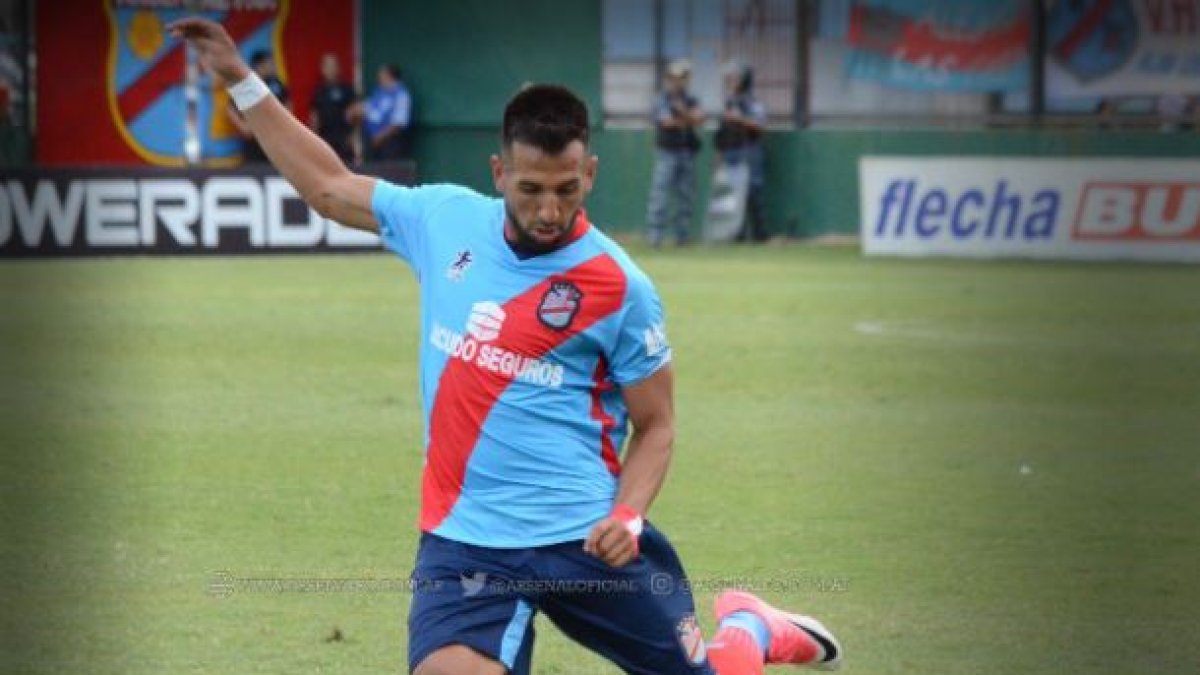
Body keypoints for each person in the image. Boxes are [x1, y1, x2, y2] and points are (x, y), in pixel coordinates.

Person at [169, 17, 843, 675]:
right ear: (498, 172)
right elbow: (328, 186)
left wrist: (630, 516)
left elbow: (657, 424)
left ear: (591, 173)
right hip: (466, 544)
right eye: (530, 189)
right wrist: (239, 79)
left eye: (566, 189)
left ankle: (751, 626)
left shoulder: (621, 287)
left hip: (584, 542)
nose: (549, 209)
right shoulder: (443, 219)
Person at [646, 59, 704, 247]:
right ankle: (655, 237)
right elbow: (666, 122)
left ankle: (682, 237)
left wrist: (682, 114)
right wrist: (687, 118)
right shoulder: (662, 98)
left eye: (683, 78)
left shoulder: (691, 99)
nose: (679, 81)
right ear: (669, 79)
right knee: (660, 195)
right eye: (675, 78)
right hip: (667, 152)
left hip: (687, 151)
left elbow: (699, 119)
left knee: (686, 196)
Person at [715, 61, 768, 242]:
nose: (731, 81)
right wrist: (719, 155)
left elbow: (760, 126)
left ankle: (760, 234)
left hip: (749, 150)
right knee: (732, 195)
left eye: (735, 77)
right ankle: (736, 234)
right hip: (731, 151)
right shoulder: (729, 101)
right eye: (729, 77)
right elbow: (722, 130)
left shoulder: (752, 102)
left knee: (753, 191)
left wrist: (739, 119)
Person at [228, 50, 289, 163]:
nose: (273, 66)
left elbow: (288, 108)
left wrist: (281, 126)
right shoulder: (245, 85)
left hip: (275, 143)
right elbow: (231, 108)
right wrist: (244, 127)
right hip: (253, 144)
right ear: (260, 66)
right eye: (270, 63)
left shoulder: (277, 84)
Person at [309, 53, 359, 164]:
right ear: (322, 70)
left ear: (338, 68)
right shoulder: (318, 91)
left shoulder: (347, 89)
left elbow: (356, 114)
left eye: (333, 66)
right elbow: (314, 117)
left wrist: (353, 137)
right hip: (325, 140)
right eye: (327, 67)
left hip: (344, 140)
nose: (330, 70)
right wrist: (315, 140)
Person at [364, 63, 413, 161]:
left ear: (390, 76)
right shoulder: (379, 92)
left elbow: (398, 123)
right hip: (373, 142)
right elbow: (369, 109)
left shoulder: (401, 95)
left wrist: (380, 137)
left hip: (390, 143)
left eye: (382, 75)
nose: (380, 78)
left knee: (389, 172)